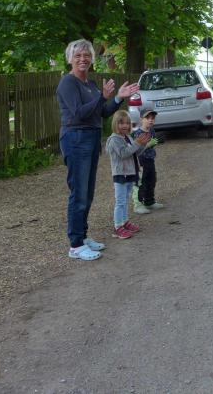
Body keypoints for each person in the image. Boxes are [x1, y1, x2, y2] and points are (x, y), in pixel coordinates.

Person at [57, 39, 139, 260]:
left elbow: (101, 112)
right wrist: (102, 97)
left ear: (92, 58)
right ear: (70, 59)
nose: (83, 59)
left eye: (87, 55)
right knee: (79, 193)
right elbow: (78, 113)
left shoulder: (90, 84)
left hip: (92, 139)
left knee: (88, 193)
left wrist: (118, 98)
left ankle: (82, 237)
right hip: (76, 139)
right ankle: (75, 245)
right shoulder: (68, 83)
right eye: (78, 56)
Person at [106, 110, 151, 239]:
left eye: (127, 123)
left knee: (126, 200)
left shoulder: (128, 137)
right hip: (121, 175)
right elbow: (124, 153)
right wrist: (137, 143)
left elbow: (134, 152)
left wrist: (142, 145)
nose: (125, 126)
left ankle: (125, 221)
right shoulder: (114, 140)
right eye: (121, 123)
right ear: (115, 124)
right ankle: (118, 227)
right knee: (120, 201)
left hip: (130, 173)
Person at [132, 107, 164, 214]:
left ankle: (149, 201)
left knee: (151, 180)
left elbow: (153, 142)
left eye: (152, 118)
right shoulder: (138, 133)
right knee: (141, 182)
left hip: (150, 159)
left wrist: (155, 142)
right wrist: (148, 144)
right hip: (141, 161)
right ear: (141, 119)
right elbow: (136, 150)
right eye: (147, 118)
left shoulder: (152, 131)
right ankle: (138, 204)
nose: (150, 120)